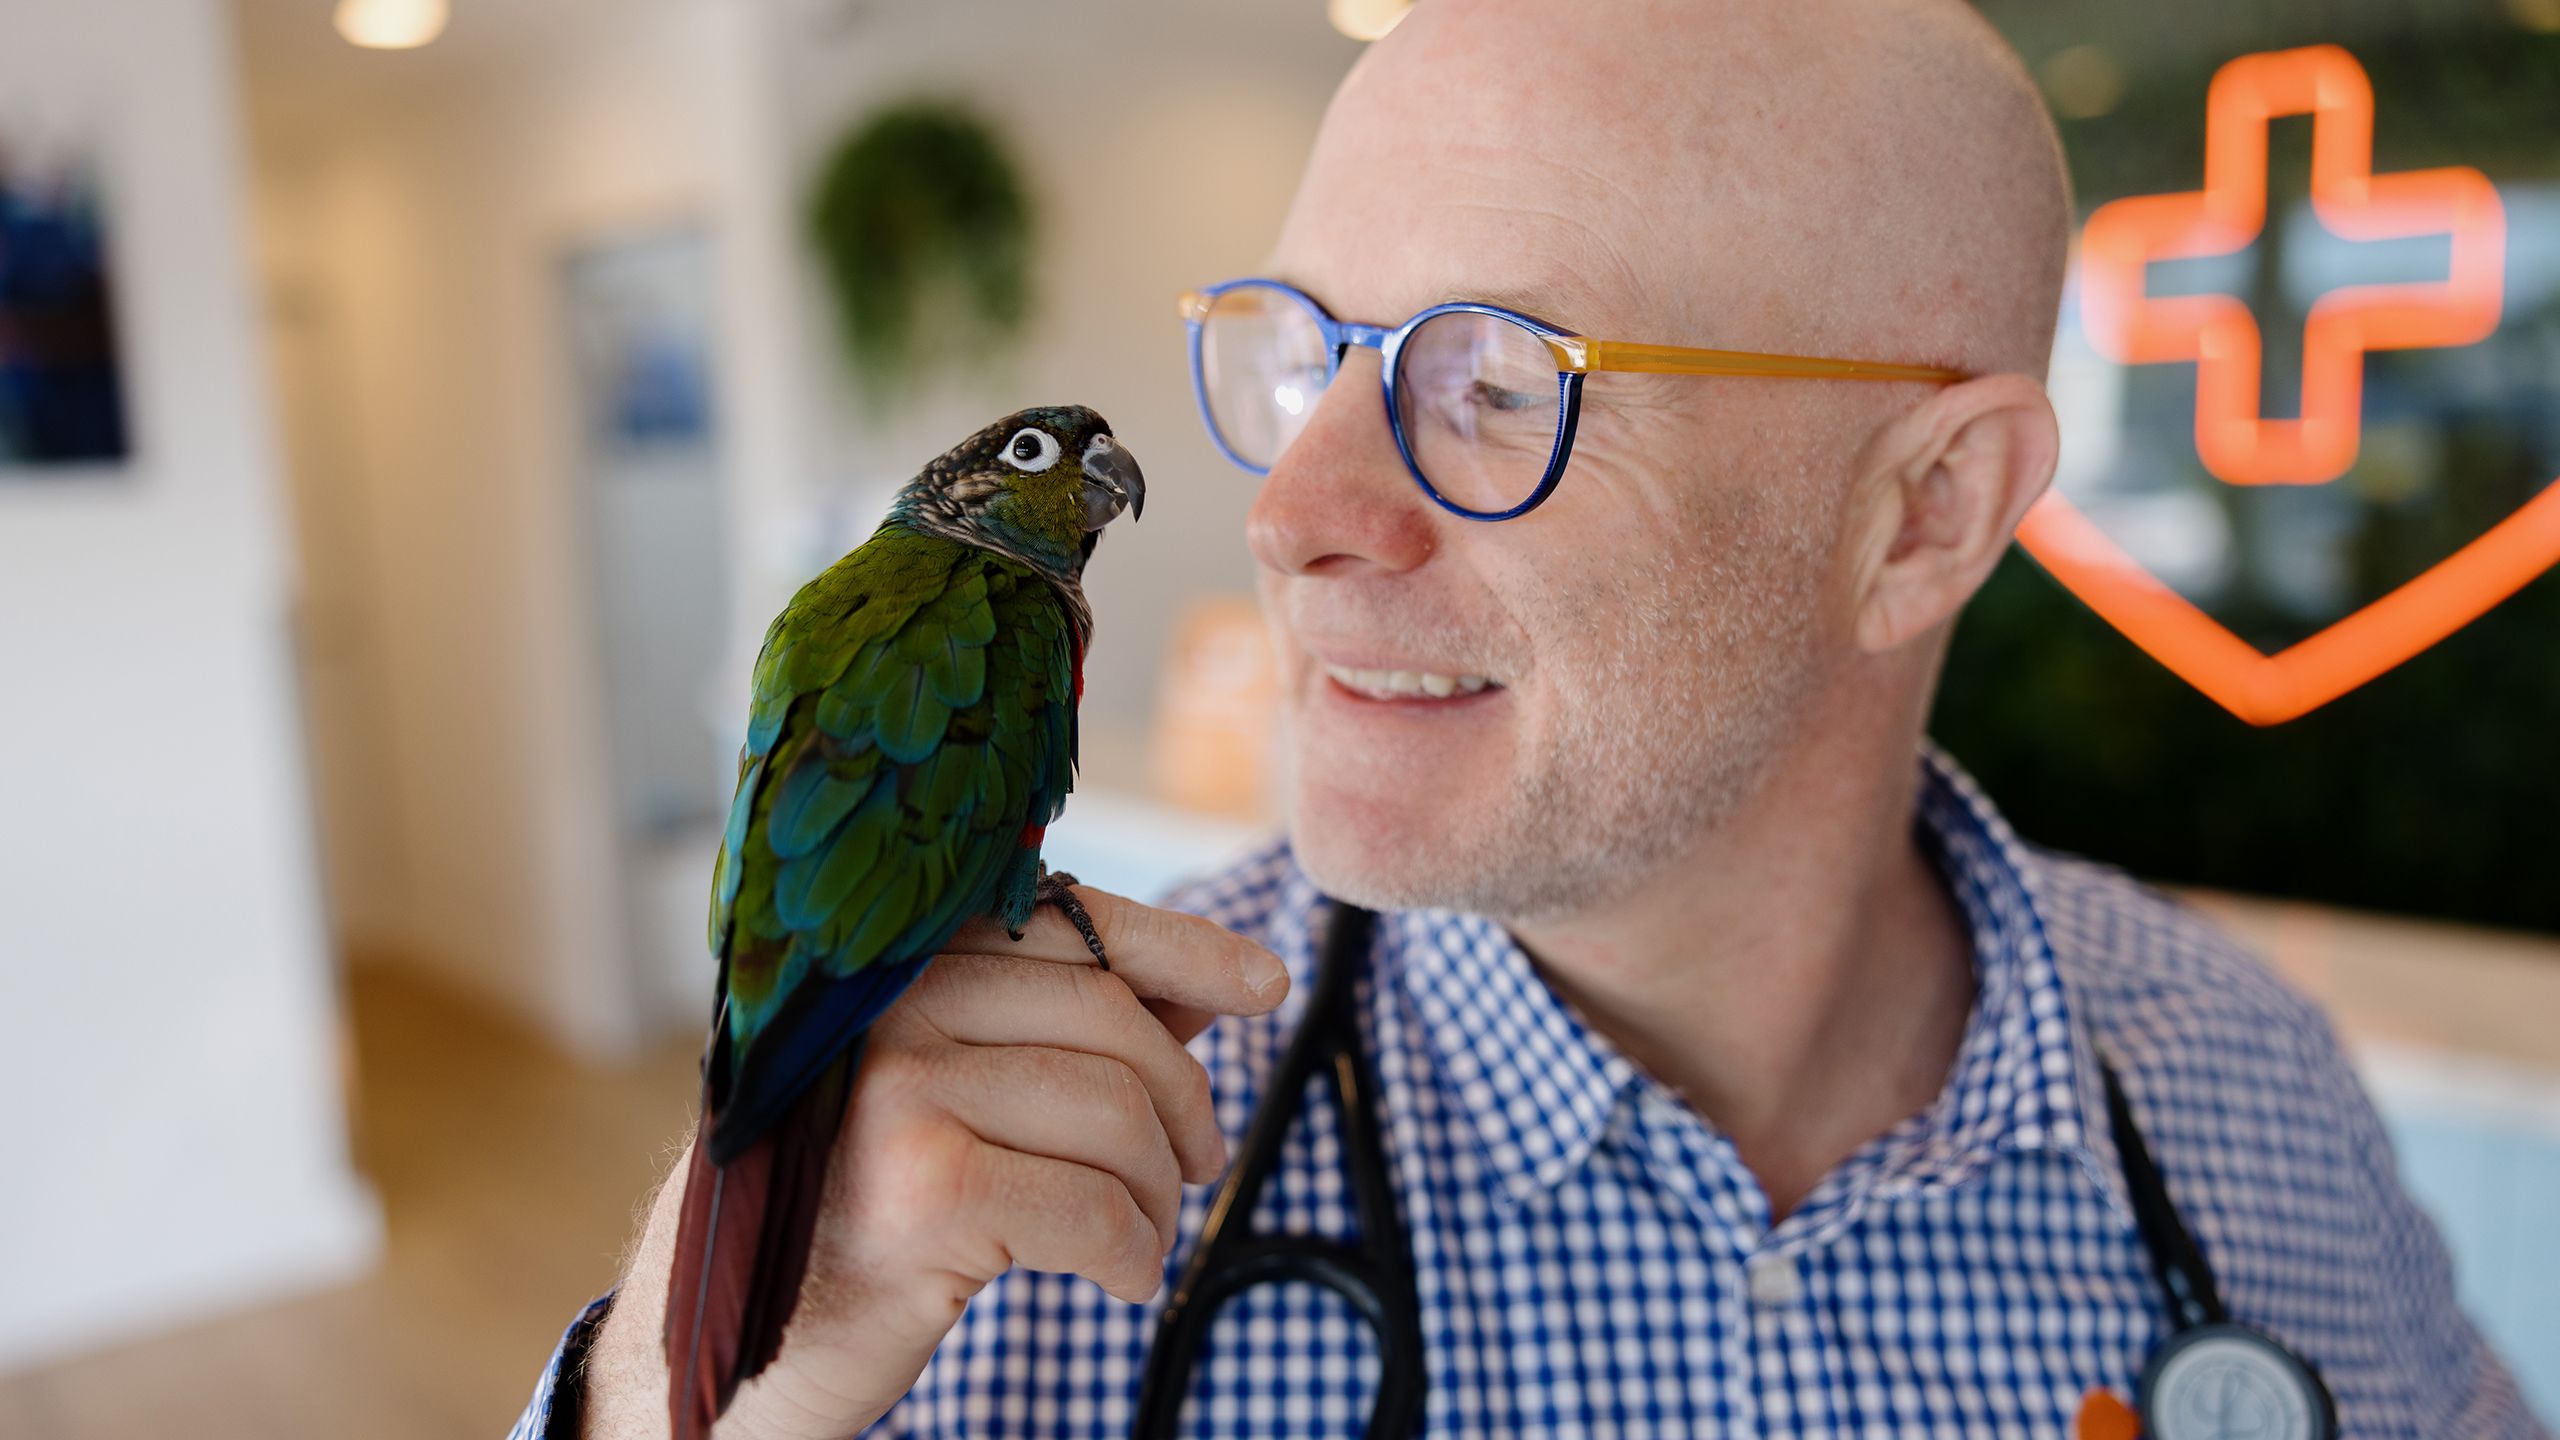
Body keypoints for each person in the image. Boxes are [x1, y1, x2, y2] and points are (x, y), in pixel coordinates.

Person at [517, 1, 2544, 1435]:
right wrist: (681, 1410)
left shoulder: (2254, 1110)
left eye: (1494, 379)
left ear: (1921, 512)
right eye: (1303, 353)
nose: (1293, 516)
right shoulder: (989, 1246)